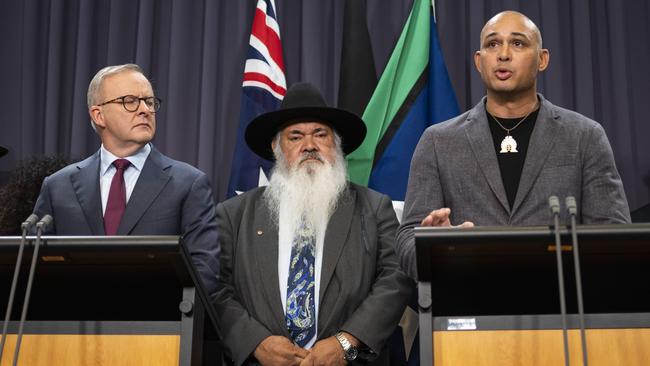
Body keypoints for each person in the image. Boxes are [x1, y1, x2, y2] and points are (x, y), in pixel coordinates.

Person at [396, 11, 631, 279]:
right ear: (478, 60)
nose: (503, 54)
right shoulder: (438, 141)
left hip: (561, 309)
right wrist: (436, 246)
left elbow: (615, 238)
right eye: (492, 44)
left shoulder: (584, 136)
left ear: (542, 59)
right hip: (469, 303)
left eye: (518, 43)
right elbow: (406, 245)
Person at [214, 82, 411, 365]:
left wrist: (346, 343)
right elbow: (216, 288)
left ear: (337, 144)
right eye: (295, 137)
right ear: (275, 147)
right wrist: (256, 343)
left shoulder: (373, 207)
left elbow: (396, 279)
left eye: (320, 134)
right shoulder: (234, 215)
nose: (309, 146)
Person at [32, 63, 220, 296]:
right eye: (129, 101)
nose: (145, 110)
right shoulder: (58, 186)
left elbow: (204, 272)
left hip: (154, 327)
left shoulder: (189, 184)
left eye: (149, 102)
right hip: (73, 326)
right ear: (98, 115)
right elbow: (34, 270)